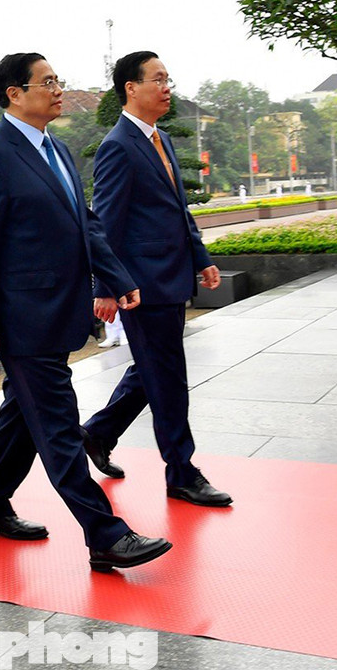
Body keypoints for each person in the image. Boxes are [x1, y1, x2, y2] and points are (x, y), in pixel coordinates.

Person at [0, 52, 171, 572]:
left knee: (20, 414)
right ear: (14, 93)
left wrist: (117, 278)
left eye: (58, 81)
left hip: (58, 312)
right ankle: (105, 534)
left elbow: (87, 223)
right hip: (22, 318)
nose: (58, 90)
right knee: (57, 427)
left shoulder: (56, 147)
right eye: (47, 82)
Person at [80, 52, 232, 507]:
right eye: (158, 79)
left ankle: (97, 433)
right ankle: (182, 473)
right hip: (140, 286)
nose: (168, 87)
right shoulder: (117, 146)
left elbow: (177, 209)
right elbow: (104, 222)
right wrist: (106, 288)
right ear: (131, 87)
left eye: (169, 79)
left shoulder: (160, 138)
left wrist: (200, 256)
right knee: (168, 378)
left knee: (154, 370)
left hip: (170, 276)